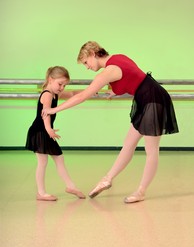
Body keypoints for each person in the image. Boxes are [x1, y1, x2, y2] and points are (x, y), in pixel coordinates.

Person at [42, 42, 179, 203]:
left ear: (93, 53)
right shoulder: (117, 59)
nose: (86, 67)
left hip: (153, 99)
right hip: (145, 99)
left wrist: (53, 110)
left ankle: (141, 191)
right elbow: (133, 77)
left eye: (86, 62)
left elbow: (82, 96)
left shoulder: (107, 72)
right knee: (128, 143)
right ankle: (107, 179)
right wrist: (115, 91)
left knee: (151, 149)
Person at [26, 66, 86, 201]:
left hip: (45, 132)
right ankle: (41, 193)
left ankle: (70, 186)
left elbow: (71, 94)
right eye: (60, 84)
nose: (62, 88)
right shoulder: (47, 94)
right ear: (50, 79)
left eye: (64, 85)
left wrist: (89, 92)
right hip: (40, 131)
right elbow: (45, 112)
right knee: (43, 162)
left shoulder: (55, 93)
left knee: (58, 158)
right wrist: (48, 129)